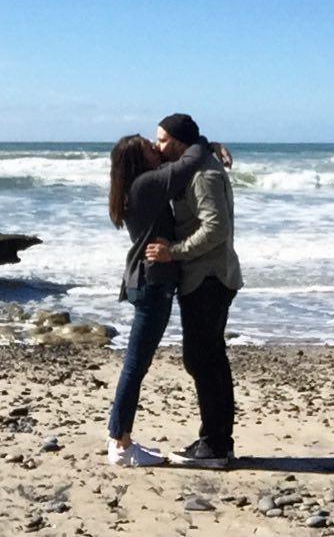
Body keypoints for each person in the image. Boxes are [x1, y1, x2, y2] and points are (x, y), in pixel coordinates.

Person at [106, 131, 214, 466]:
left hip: (147, 283)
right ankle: (120, 445)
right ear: (140, 160)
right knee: (136, 365)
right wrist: (205, 143)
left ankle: (120, 440)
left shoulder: (137, 186)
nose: (157, 149)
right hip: (153, 283)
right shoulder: (147, 184)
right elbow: (190, 162)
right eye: (150, 148)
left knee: (136, 363)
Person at [146, 113, 243, 469]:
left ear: (180, 142)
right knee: (209, 359)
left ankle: (215, 446)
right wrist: (211, 144)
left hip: (209, 277)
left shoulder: (203, 174)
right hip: (209, 276)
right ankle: (217, 441)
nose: (157, 146)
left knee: (203, 360)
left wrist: (175, 251)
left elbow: (216, 227)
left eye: (162, 140)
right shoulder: (199, 162)